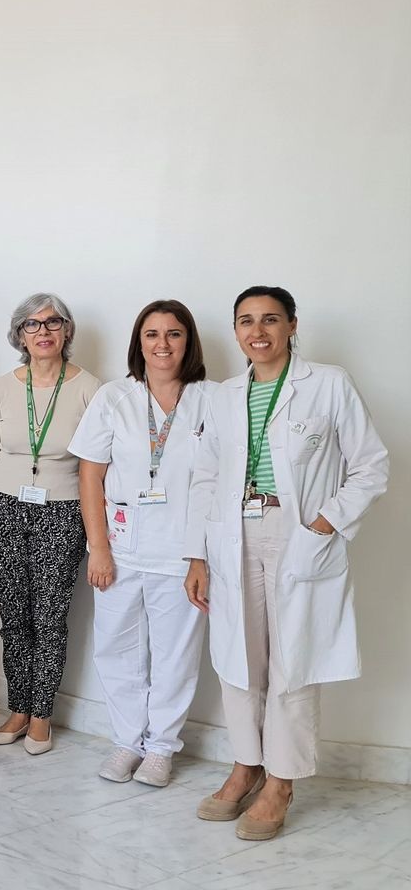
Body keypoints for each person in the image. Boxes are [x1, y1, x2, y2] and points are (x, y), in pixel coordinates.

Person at [185, 286, 388, 840]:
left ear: (292, 325)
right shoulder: (224, 396)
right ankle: (245, 763)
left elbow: (371, 465)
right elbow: (204, 478)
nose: (258, 331)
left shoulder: (328, 384)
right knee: (237, 656)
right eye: (246, 321)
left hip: (297, 533)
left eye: (270, 320)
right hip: (231, 536)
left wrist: (325, 521)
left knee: (291, 660)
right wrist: (196, 554)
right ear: (235, 331)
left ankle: (281, 780)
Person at [69, 299, 212, 787]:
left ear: (188, 342)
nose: (163, 344)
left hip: (182, 552)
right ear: (139, 343)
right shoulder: (115, 397)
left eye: (174, 334)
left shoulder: (211, 400)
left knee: (176, 654)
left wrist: (200, 556)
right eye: (152, 334)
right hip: (121, 547)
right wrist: (99, 548)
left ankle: (161, 748)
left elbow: (218, 479)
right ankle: (128, 741)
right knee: (116, 647)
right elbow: (90, 476)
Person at [0, 293, 100, 754]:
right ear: (19, 335)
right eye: (32, 324)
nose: (43, 331)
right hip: (4, 506)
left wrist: (48, 482)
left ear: (67, 331)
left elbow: (96, 461)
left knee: (49, 616)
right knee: (13, 615)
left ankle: (42, 714)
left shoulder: (90, 388)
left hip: (64, 509)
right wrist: (12, 481)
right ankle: (18, 705)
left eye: (53, 322)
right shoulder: (3, 386)